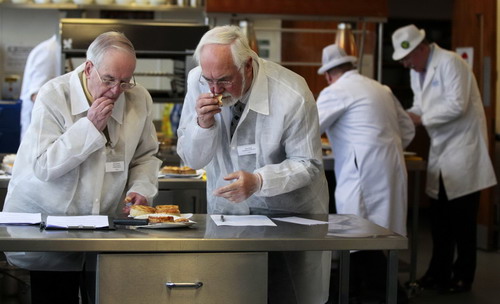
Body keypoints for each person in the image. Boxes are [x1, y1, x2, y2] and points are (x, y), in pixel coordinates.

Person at [3, 31, 161, 304]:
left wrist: (141, 188)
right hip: (50, 222)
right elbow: (44, 165)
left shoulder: (138, 98)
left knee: (101, 294)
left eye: (125, 82)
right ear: (89, 68)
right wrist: (89, 127)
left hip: (104, 225)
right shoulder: (54, 94)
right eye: (109, 79)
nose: (116, 90)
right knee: (55, 294)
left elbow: (145, 156)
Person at [177, 25, 330, 304]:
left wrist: (259, 181)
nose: (214, 89)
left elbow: (308, 164)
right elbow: (192, 159)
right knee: (231, 294)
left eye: (223, 80)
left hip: (287, 219)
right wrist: (203, 124)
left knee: (288, 295)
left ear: (248, 66)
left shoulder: (291, 92)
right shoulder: (198, 80)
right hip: (228, 217)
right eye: (208, 79)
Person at [392, 24, 497, 293]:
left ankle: (463, 277)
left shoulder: (451, 63)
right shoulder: (419, 71)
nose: (405, 65)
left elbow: (457, 105)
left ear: (421, 49)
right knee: (440, 223)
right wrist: (401, 116)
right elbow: (419, 107)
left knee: (462, 223)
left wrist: (420, 118)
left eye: (406, 58)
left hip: (464, 152)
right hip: (441, 154)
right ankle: (436, 274)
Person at [316, 44, 415, 302]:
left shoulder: (335, 91)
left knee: (359, 233)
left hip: (364, 173)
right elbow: (407, 129)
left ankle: (383, 292)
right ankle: (360, 289)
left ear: (328, 74)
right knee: (380, 235)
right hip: (391, 168)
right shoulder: (381, 88)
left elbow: (307, 128)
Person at [19, 34, 61, 140]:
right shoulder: (48, 51)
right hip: (38, 128)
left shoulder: (56, 49)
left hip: (45, 127)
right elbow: (37, 95)